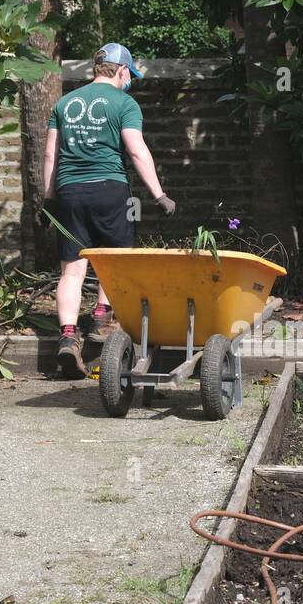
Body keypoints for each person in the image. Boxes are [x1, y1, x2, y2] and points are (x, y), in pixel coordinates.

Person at [43, 42, 176, 374]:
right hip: (110, 190)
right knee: (115, 259)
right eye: (129, 74)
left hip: (69, 191)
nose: (129, 80)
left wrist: (48, 200)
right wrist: (159, 195)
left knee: (72, 270)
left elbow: (50, 156)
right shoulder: (125, 103)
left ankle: (68, 338)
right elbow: (136, 150)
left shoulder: (64, 103)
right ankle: (102, 319)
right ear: (121, 70)